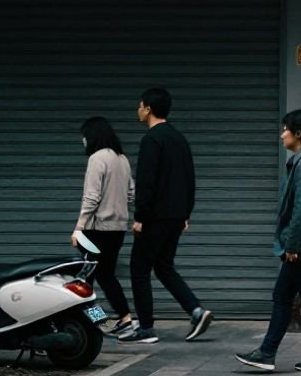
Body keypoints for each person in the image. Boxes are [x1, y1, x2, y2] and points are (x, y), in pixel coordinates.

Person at [235, 110, 301, 372]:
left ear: (298, 133)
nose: (282, 134)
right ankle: (271, 353)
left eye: (285, 130)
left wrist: (292, 246)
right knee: (287, 296)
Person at [119, 87, 212, 345]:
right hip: (175, 216)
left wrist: (140, 217)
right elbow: (190, 179)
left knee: (139, 268)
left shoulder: (152, 139)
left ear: (148, 109)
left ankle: (146, 328)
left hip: (155, 217)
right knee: (163, 266)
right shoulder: (179, 139)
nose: (137, 110)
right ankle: (196, 311)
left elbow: (147, 182)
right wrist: (186, 213)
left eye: (139, 106)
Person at [72, 116, 135, 337]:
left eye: (84, 135)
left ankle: (94, 320)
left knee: (84, 277)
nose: (83, 140)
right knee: (105, 274)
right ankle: (123, 318)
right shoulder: (122, 159)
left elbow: (91, 197)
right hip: (118, 229)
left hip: (96, 229)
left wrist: (78, 228)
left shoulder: (97, 159)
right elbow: (131, 193)